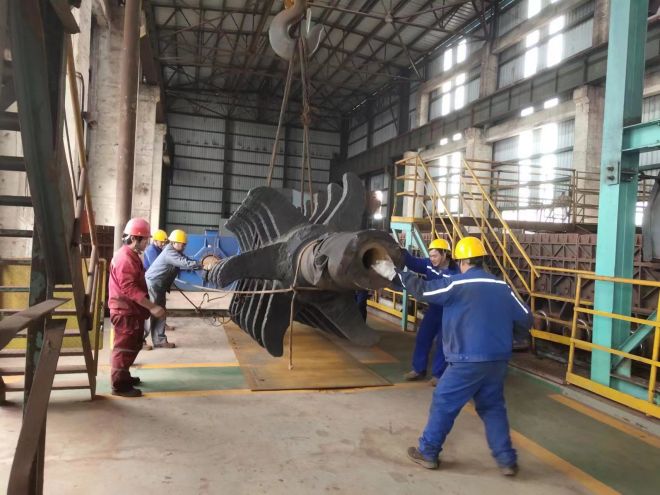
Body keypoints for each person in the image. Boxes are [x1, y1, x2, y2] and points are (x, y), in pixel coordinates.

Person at [371, 236, 532, 476]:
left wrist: (392, 273)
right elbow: (526, 318)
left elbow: (423, 290)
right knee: (493, 407)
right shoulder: (502, 287)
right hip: (497, 361)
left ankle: (428, 452)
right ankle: (507, 460)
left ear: (463, 261)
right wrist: (508, 336)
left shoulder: (457, 284)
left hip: (467, 360)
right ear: (482, 260)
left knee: (444, 401)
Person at [108, 218, 166, 397]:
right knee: (124, 348)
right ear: (134, 238)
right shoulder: (125, 258)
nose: (147, 242)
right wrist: (152, 307)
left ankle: (124, 376)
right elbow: (129, 289)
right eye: (145, 239)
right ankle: (119, 385)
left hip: (131, 311)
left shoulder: (131, 255)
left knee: (133, 344)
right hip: (125, 311)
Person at [402, 238, 458, 385]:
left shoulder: (455, 272)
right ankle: (418, 369)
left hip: (448, 311)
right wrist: (400, 251)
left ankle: (438, 375)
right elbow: (412, 262)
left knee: (442, 342)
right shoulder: (429, 264)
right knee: (423, 337)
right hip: (434, 309)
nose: (432, 259)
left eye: (435, 256)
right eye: (431, 255)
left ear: (445, 254)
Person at [144, 229, 202, 348]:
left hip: (160, 285)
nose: (184, 246)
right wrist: (202, 265)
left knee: (161, 311)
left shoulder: (176, 251)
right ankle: (139, 341)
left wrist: (200, 263)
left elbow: (187, 260)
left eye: (185, 244)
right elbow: (183, 263)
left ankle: (159, 340)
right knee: (152, 312)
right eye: (182, 244)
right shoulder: (169, 252)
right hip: (153, 284)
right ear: (174, 242)